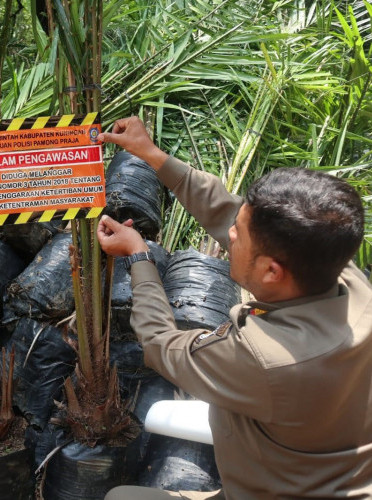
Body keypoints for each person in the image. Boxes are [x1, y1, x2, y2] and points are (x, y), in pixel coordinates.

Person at [96, 117, 371, 499]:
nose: (229, 234)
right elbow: (228, 211)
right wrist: (154, 157)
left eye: (238, 235)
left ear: (272, 271)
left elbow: (160, 343)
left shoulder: (265, 358)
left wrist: (139, 257)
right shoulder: (343, 275)